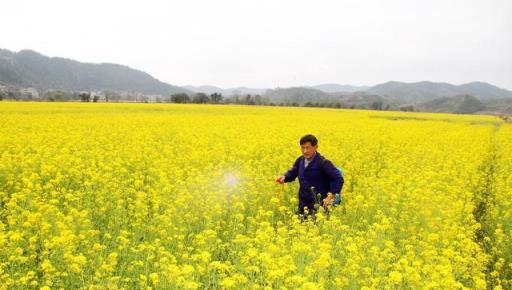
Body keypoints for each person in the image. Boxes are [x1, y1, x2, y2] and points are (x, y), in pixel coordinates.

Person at [276, 134, 344, 219]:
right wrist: (285, 177)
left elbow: (338, 178)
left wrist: (330, 196)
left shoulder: (323, 163)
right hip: (303, 203)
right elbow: (293, 171)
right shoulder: (300, 160)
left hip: (319, 205)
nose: (304, 151)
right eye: (302, 148)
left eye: (307, 148)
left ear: (316, 147)